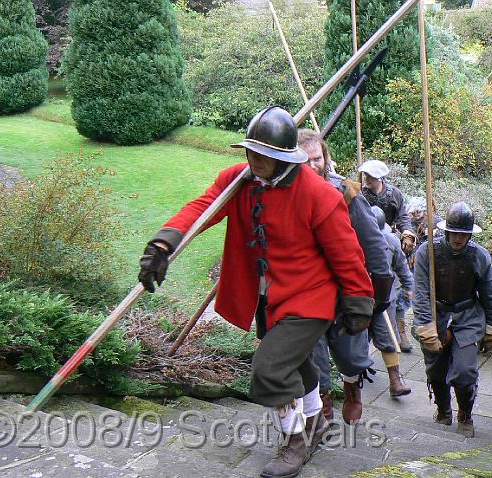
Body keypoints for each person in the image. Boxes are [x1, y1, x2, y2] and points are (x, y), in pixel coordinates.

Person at [138, 107, 375, 478]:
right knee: (298, 364)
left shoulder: (319, 195)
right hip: (267, 298)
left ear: (283, 157)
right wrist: (165, 242)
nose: (255, 161)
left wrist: (359, 304)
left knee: (269, 369)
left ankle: (294, 442)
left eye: (264, 155)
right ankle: (315, 422)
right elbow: (202, 208)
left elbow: (348, 254)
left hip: (309, 298)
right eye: (251, 152)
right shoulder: (238, 180)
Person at [297, 129, 393, 422]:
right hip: (309, 291)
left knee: (351, 355)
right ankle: (323, 402)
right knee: (313, 355)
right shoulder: (289, 194)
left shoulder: (347, 194)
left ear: (326, 158)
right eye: (306, 160)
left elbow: (374, 245)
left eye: (318, 158)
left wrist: (376, 298)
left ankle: (352, 387)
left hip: (346, 290)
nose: (313, 166)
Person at [411, 202, 492, 438]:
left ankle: (465, 414)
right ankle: (443, 410)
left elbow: (489, 292)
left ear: (470, 234)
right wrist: (425, 324)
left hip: (467, 316)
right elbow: (420, 291)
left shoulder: (479, 256)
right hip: (436, 315)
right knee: (436, 371)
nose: (459, 239)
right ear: (447, 231)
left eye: (464, 234)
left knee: (464, 371)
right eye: (456, 233)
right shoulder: (427, 252)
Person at [370, 206, 415, 396]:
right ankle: (352, 383)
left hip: (384, 299)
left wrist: (408, 287)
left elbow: (402, 268)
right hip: (357, 299)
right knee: (353, 344)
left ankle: (395, 381)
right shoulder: (352, 240)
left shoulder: (391, 242)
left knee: (388, 339)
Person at [357, 159, 416, 253]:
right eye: (366, 175)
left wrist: (408, 234)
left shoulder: (394, 194)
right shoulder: (360, 195)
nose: (367, 179)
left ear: (379, 178)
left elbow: (402, 217)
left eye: (371, 176)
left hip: (388, 236)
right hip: (365, 237)